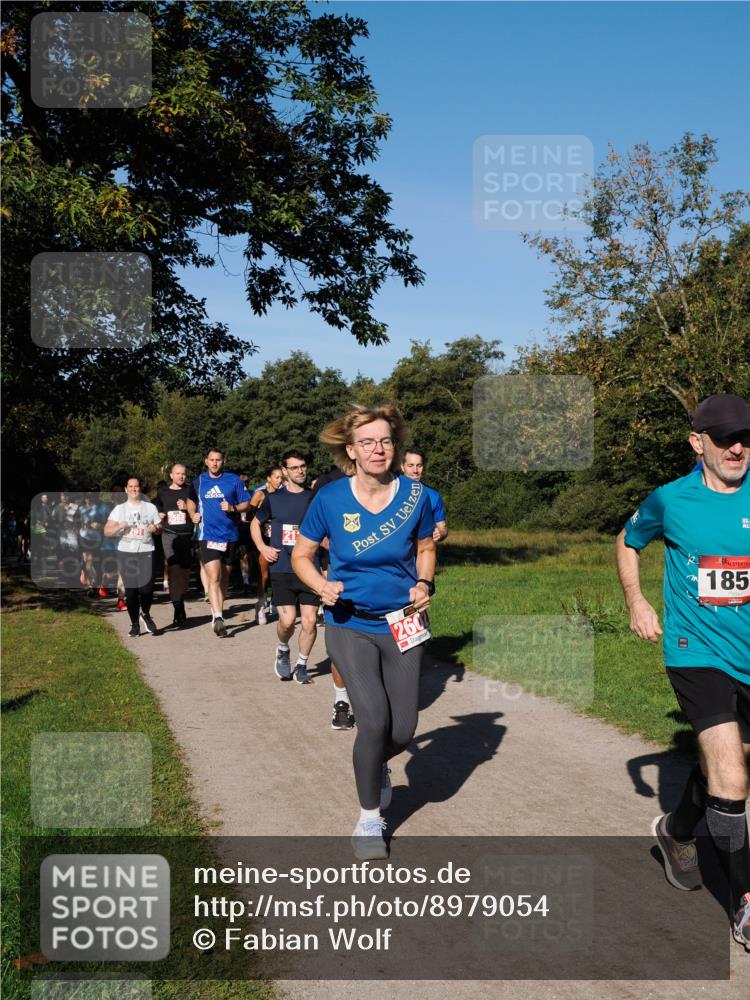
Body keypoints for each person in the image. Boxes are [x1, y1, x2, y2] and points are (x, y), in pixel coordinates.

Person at [615, 393, 750, 950]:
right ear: (698, 443)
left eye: (745, 436)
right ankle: (744, 903)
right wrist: (636, 601)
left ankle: (674, 830)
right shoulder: (670, 500)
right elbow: (628, 541)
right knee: (734, 778)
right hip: (697, 651)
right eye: (724, 438)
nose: (738, 446)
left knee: (736, 765)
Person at [293, 403, 436, 860]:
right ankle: (368, 817)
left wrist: (424, 581)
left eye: (386, 440)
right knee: (372, 720)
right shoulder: (330, 498)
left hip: (404, 621)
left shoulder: (418, 495)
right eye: (369, 442)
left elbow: (427, 546)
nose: (379, 448)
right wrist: (321, 584)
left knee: (404, 729)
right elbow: (301, 555)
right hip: (348, 621)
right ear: (350, 450)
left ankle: (376, 765)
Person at [251, 451, 321, 683]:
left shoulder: (315, 498)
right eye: (294, 467)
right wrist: (262, 547)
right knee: (288, 621)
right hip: (281, 566)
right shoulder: (273, 498)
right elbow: (255, 523)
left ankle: (302, 665)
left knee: (310, 620)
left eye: (303, 466)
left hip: (310, 567)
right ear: (284, 471)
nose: (300, 470)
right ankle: (282, 647)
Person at [306, 466, 355, 730]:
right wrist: (341, 545)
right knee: (342, 647)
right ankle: (342, 703)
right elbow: (311, 532)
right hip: (337, 575)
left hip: (385, 584)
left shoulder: (389, 483)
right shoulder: (326, 484)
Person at [187, 449, 252, 637]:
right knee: (214, 577)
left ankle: (219, 612)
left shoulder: (234, 480)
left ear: (224, 461)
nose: (215, 463)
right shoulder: (198, 481)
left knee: (225, 577)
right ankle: (217, 617)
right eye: (211, 460)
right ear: (206, 461)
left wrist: (233, 508)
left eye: (218, 460)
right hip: (208, 536)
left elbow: (246, 503)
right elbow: (190, 501)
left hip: (230, 536)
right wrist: (193, 515)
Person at [105, 476, 162, 637]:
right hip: (126, 552)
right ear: (126, 489)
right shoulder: (119, 509)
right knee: (131, 591)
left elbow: (160, 527)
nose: (134, 489)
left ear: (140, 489)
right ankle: (135, 624)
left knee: (147, 589)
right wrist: (118, 527)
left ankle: (145, 612)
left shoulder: (150, 508)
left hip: (146, 550)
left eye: (136, 486)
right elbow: (106, 531)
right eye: (130, 487)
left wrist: (155, 528)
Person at [156, 464, 194, 627]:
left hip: (187, 535)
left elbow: (199, 511)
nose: (181, 476)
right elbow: (155, 509)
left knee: (184, 573)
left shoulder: (191, 491)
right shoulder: (163, 492)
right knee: (173, 569)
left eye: (183, 474)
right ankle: (178, 608)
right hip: (169, 534)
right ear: (171, 475)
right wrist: (158, 514)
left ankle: (180, 602)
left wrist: (187, 508)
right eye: (178, 474)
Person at [249, 466, 284, 624]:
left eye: (281, 477)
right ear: (268, 478)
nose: (280, 480)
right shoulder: (260, 494)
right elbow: (249, 517)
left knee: (279, 573)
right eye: (276, 477)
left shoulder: (284, 495)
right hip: (264, 539)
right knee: (264, 575)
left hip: (279, 539)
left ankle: (276, 602)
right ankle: (260, 606)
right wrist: (264, 519)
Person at [401, 448, 448, 542]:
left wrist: (441, 533)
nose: (415, 470)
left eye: (419, 465)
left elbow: (443, 527)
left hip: (422, 552)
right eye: (410, 465)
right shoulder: (390, 490)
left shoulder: (433, 496)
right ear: (402, 467)